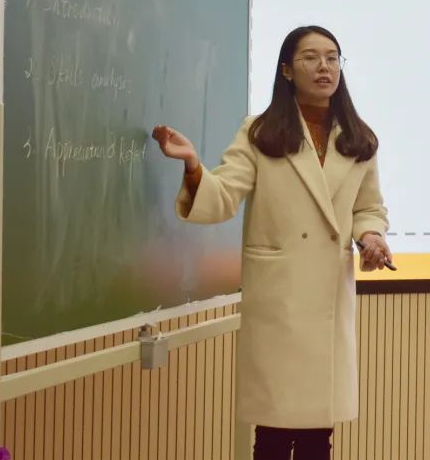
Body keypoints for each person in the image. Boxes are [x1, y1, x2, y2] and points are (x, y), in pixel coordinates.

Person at [152, 25, 393, 460]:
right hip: (278, 300)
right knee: (274, 434)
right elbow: (223, 196)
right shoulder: (261, 132)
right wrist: (192, 165)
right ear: (286, 70)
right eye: (311, 58)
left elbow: (368, 208)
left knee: (318, 436)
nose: (324, 67)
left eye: (332, 58)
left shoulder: (359, 138)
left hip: (327, 298)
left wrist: (371, 236)